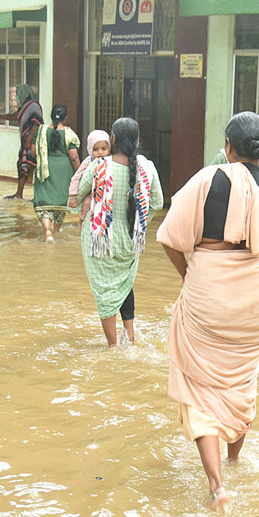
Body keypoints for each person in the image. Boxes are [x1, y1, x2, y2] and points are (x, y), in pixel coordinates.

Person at [157, 111, 259, 511]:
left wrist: (190, 275)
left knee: (199, 389)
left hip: (207, 296)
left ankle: (218, 485)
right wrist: (253, 278)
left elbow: (169, 236)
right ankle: (235, 459)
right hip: (257, 304)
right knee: (242, 381)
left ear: (228, 148)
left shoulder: (208, 180)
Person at [75, 117, 163, 346]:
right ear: (137, 140)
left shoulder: (98, 166)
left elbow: (77, 197)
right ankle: (130, 337)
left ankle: (113, 346)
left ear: (112, 139)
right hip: (130, 241)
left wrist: (81, 209)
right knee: (125, 284)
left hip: (101, 240)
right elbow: (157, 202)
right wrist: (137, 224)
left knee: (105, 291)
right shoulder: (147, 167)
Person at [31, 104, 81, 243]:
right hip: (63, 173)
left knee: (44, 203)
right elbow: (74, 157)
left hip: (44, 171)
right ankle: (57, 231)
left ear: (51, 116)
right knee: (59, 205)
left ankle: (47, 231)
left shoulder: (41, 131)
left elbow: (33, 152)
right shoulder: (69, 134)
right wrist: (80, 175)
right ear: (66, 118)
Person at [0, 83, 43, 199]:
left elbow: (36, 124)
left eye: (18, 94)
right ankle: (19, 194)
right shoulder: (25, 107)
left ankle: (37, 196)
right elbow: (13, 116)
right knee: (23, 167)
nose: (17, 97)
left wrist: (29, 139)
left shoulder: (34, 106)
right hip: (25, 143)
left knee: (33, 168)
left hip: (32, 143)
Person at [68, 128, 110, 225]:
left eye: (104, 149)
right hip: (90, 193)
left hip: (106, 193)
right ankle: (81, 223)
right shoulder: (88, 162)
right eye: (95, 149)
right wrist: (73, 195)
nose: (100, 152)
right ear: (90, 149)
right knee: (86, 206)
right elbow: (76, 177)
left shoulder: (110, 161)